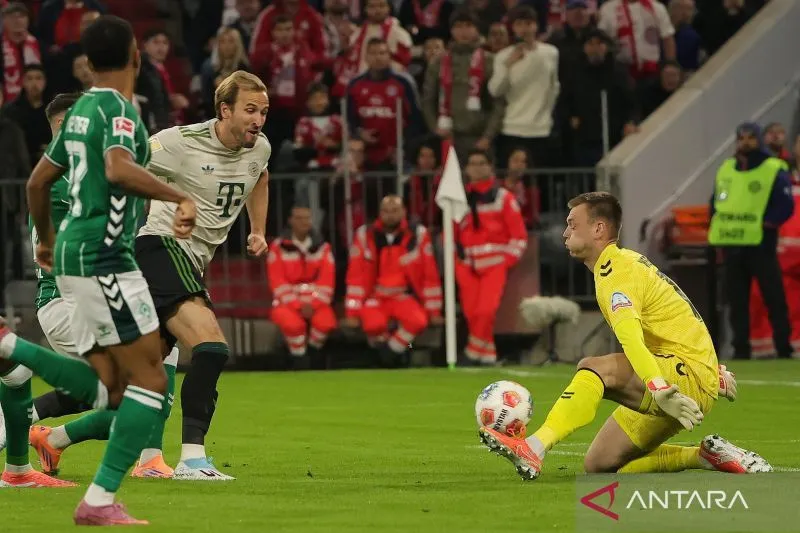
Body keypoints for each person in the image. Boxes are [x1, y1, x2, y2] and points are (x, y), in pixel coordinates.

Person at [2, 15, 197, 525]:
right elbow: (117, 167)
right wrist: (177, 196)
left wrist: (48, 241)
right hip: (105, 257)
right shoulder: (117, 108)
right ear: (136, 56)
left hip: (76, 254)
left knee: (116, 388)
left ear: (88, 62)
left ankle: (94, 493)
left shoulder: (81, 112)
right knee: (150, 384)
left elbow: (37, 183)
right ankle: (99, 496)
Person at [479, 191, 771, 480]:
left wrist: (660, 385)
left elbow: (631, 339)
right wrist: (711, 370)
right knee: (600, 464)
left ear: (598, 229)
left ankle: (534, 446)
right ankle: (705, 455)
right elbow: (678, 311)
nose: (565, 233)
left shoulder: (616, 272)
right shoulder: (623, 263)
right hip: (683, 374)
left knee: (594, 368)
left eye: (572, 224)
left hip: (675, 381)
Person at [0, 94, 80, 490]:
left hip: (77, 301)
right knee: (126, 390)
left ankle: (35, 450)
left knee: (108, 391)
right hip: (66, 302)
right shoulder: (63, 178)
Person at [709, 123, 794, 359]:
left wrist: (766, 224)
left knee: (774, 297)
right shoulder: (727, 168)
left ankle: (783, 347)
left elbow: (785, 205)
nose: (746, 142)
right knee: (737, 301)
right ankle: (741, 349)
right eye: (742, 138)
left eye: (750, 138)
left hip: (761, 245)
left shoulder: (772, 168)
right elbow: (715, 203)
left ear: (759, 139)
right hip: (732, 244)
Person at [344, 195, 443, 367]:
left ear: (404, 212)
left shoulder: (417, 234)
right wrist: (352, 312)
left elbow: (429, 275)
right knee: (372, 325)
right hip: (375, 296)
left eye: (395, 210)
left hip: (403, 296)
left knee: (418, 321)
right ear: (380, 213)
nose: (390, 215)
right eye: (386, 211)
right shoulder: (365, 235)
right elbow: (355, 276)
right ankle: (392, 356)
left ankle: (389, 355)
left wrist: (434, 311)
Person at [455, 149, 527, 364]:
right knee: (471, 313)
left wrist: (507, 261)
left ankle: (471, 353)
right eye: (472, 164)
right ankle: (487, 355)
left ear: (490, 167)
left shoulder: (503, 197)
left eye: (481, 163)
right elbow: (452, 234)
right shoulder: (459, 199)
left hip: (495, 264)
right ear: (466, 169)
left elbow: (519, 236)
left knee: (485, 311)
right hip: (467, 265)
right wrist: (457, 260)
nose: (477, 168)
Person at [489, 5, 560, 168]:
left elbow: (554, 87)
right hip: (512, 127)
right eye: (519, 24)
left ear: (536, 26)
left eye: (528, 23)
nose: (524, 29)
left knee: (539, 179)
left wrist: (546, 114)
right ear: (513, 27)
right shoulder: (503, 56)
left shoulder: (551, 52)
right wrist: (508, 65)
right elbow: (495, 90)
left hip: (541, 129)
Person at [268, 206, 336, 368]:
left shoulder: (323, 247)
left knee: (326, 323)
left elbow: (327, 280)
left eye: (306, 218)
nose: (303, 222)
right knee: (293, 325)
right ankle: (299, 360)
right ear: (290, 221)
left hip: (316, 303)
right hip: (286, 303)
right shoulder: (278, 247)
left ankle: (312, 355)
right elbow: (277, 281)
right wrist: (297, 305)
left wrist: (314, 303)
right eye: (299, 218)